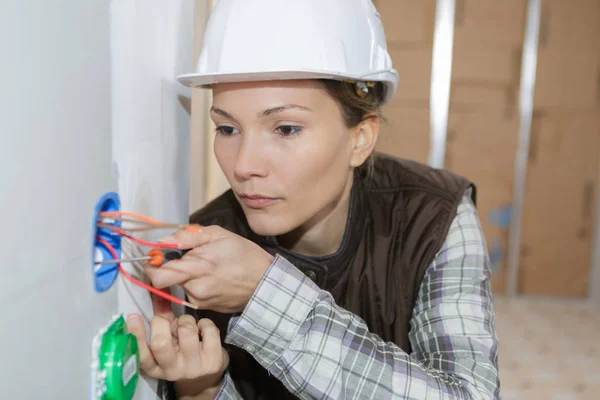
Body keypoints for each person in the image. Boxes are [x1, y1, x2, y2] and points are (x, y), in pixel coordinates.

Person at [125, 0, 500, 399]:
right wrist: (202, 388)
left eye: (285, 129)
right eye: (228, 128)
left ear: (360, 139)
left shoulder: (434, 213)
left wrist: (264, 295)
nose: (244, 165)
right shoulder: (202, 248)